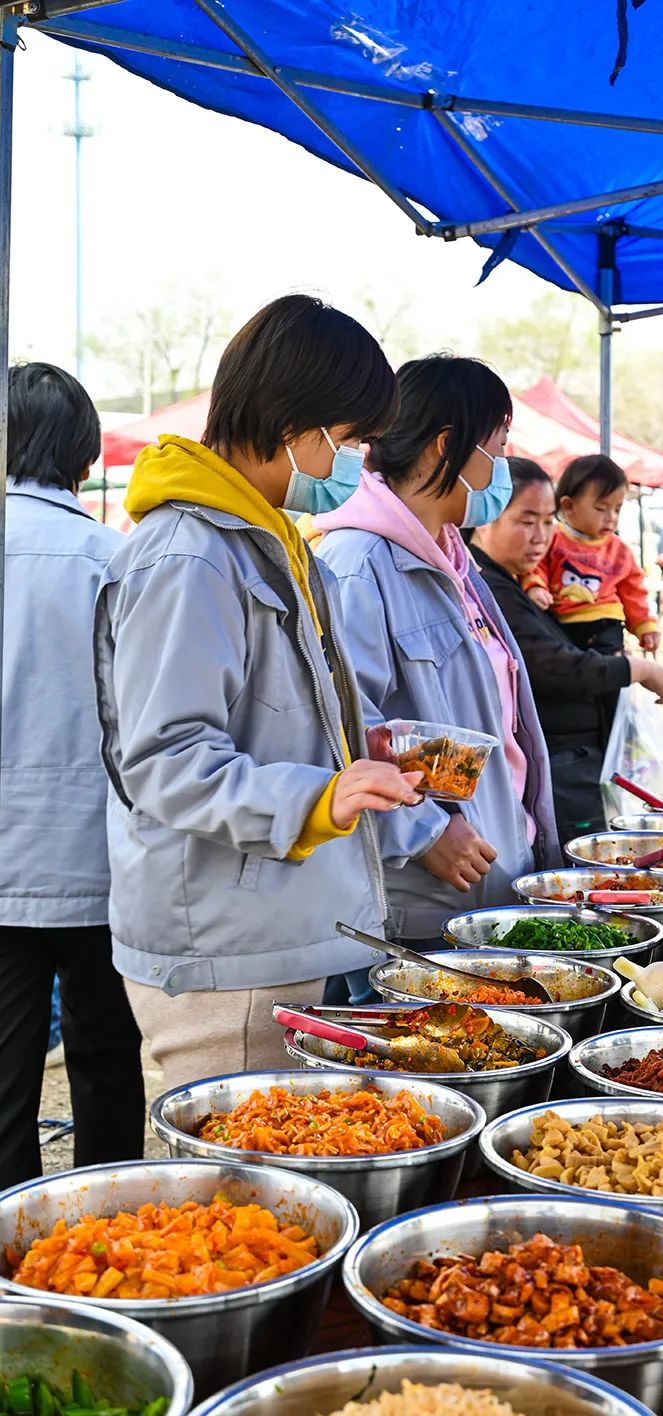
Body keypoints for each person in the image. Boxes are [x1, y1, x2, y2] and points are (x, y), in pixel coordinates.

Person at [94, 295, 425, 1090]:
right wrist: (322, 796)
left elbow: (274, 711)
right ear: (296, 428)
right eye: (349, 440)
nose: (352, 461)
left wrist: (357, 751)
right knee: (236, 1192)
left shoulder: (261, 540)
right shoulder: (189, 557)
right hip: (223, 941)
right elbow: (167, 761)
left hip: (269, 919)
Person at [316, 355, 559, 950]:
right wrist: (422, 831)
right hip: (423, 903)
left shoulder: (453, 560)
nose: (502, 469)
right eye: (497, 449)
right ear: (445, 446)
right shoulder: (357, 566)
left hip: (493, 876)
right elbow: (341, 729)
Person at [0, 362, 145, 1189]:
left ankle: (12, 1275)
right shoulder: (115, 559)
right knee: (103, 1060)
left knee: (6, 1082)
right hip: (102, 858)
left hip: (5, 864)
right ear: (86, 458)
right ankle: (109, 1236)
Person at [472, 458, 663, 842]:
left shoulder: (513, 584)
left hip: (576, 762)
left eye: (548, 521)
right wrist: (637, 670)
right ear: (485, 517)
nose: (541, 536)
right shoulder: (490, 588)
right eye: (526, 520)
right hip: (559, 763)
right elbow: (551, 665)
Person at [522, 453, 659, 655]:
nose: (611, 518)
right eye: (601, 508)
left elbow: (633, 591)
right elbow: (536, 564)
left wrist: (644, 625)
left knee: (607, 671)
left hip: (605, 623)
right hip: (560, 622)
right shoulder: (553, 537)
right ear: (568, 506)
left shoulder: (620, 551)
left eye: (617, 509)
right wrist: (535, 587)